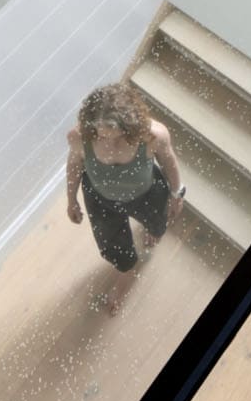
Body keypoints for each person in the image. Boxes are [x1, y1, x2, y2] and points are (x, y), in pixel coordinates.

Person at [65, 82, 186, 315]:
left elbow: (169, 160)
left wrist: (176, 193)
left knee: (158, 223)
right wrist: (71, 199)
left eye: (115, 135)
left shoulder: (152, 135)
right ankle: (125, 273)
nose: (108, 143)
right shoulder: (79, 137)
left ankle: (151, 230)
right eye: (102, 135)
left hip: (147, 193)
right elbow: (74, 165)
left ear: (128, 125)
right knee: (112, 245)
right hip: (100, 197)